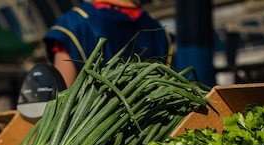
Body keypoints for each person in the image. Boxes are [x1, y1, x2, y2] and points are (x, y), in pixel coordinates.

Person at [43, 0, 174, 87]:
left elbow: (62, 98)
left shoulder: (74, 23)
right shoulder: (159, 31)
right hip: (151, 126)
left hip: (95, 126)